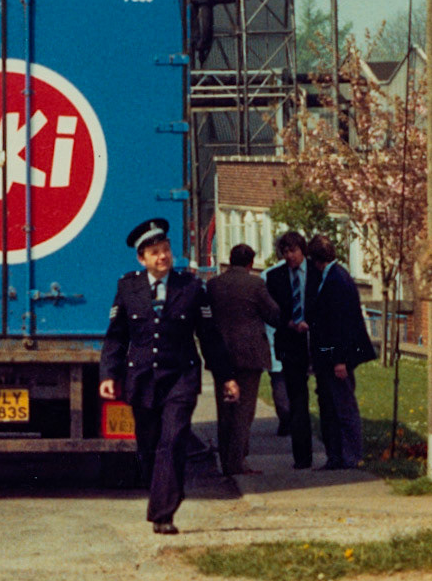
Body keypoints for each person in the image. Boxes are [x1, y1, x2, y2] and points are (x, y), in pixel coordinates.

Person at [99, 218, 238, 535]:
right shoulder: (128, 287)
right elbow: (116, 337)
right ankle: (164, 491)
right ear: (142, 258)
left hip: (181, 377)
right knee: (149, 447)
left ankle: (163, 513)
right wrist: (108, 373)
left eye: (166, 250)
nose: (162, 257)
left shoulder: (191, 288)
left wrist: (226, 376)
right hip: (143, 379)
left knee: (173, 441)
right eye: (154, 253)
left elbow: (210, 336)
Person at [205, 242, 281, 477]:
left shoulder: (213, 284)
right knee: (244, 410)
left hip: (221, 355)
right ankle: (237, 462)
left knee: (225, 409)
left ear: (229, 259)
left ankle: (226, 462)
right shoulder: (255, 284)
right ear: (250, 263)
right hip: (249, 354)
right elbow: (273, 315)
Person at [305, 234, 376, 470]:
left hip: (337, 357)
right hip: (328, 355)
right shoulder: (333, 276)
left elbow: (341, 325)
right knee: (332, 406)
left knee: (344, 407)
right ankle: (337, 455)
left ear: (315, 259)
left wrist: (340, 360)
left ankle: (352, 455)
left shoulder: (336, 280)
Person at [263, 232, 319, 469]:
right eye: (285, 252)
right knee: (297, 400)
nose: (289, 256)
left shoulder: (317, 273)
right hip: (290, 343)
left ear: (302, 251)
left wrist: (312, 323)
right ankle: (302, 457)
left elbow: (326, 306)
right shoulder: (275, 277)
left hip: (316, 342)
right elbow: (271, 311)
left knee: (325, 398)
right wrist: (289, 323)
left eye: (293, 251)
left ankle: (333, 451)